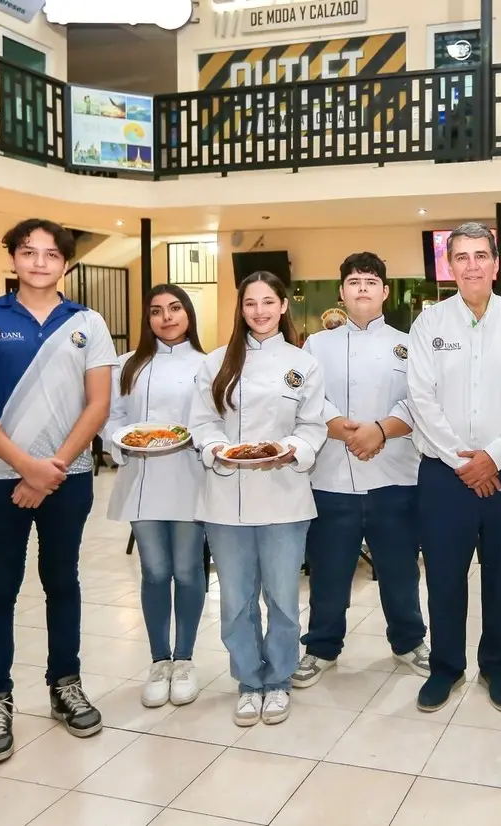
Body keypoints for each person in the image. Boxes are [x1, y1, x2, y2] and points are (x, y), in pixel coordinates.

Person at [0, 218, 118, 765]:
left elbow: (98, 405)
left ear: (65, 263)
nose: (40, 262)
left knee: (62, 581)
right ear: (13, 259)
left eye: (50, 254)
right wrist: (26, 467)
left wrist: (54, 467)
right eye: (28, 252)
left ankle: (65, 683)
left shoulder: (87, 321)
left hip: (70, 477)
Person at [406, 222, 501, 713]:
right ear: (450, 266)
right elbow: (420, 399)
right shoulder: (429, 325)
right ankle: (446, 666)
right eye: (461, 257)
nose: (471, 265)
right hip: (444, 476)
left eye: (479, 255)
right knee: (444, 576)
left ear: (495, 263)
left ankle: (498, 667)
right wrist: (460, 459)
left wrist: (494, 456)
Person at [190, 272, 328, 727]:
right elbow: (203, 424)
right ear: (241, 309)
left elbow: (313, 426)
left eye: (269, 302)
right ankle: (250, 680)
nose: (260, 311)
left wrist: (294, 450)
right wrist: (215, 450)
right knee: (236, 600)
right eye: (251, 304)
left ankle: (280, 678)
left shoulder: (302, 363)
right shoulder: (215, 363)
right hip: (226, 499)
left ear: (283, 306)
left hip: (284, 496)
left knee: (284, 598)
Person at [294, 252, 430, 688]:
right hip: (332, 475)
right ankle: (321, 647)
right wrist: (345, 430)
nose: (363, 288)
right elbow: (310, 401)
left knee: (400, 570)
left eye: (371, 281)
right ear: (341, 292)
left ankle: (409, 642)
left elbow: (419, 401)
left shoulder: (408, 344)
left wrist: (379, 432)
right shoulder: (316, 345)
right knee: (330, 570)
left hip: (394, 474)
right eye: (354, 281)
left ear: (386, 291)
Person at [103, 284, 207, 709]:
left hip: (190, 477)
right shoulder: (127, 366)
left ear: (188, 314)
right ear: (147, 319)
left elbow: (215, 419)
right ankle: (158, 660)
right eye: (156, 311)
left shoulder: (209, 364)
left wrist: (196, 440)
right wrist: (120, 442)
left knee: (186, 571)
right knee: (153, 571)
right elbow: (111, 418)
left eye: (175, 308)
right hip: (142, 480)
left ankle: (184, 659)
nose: (166, 317)